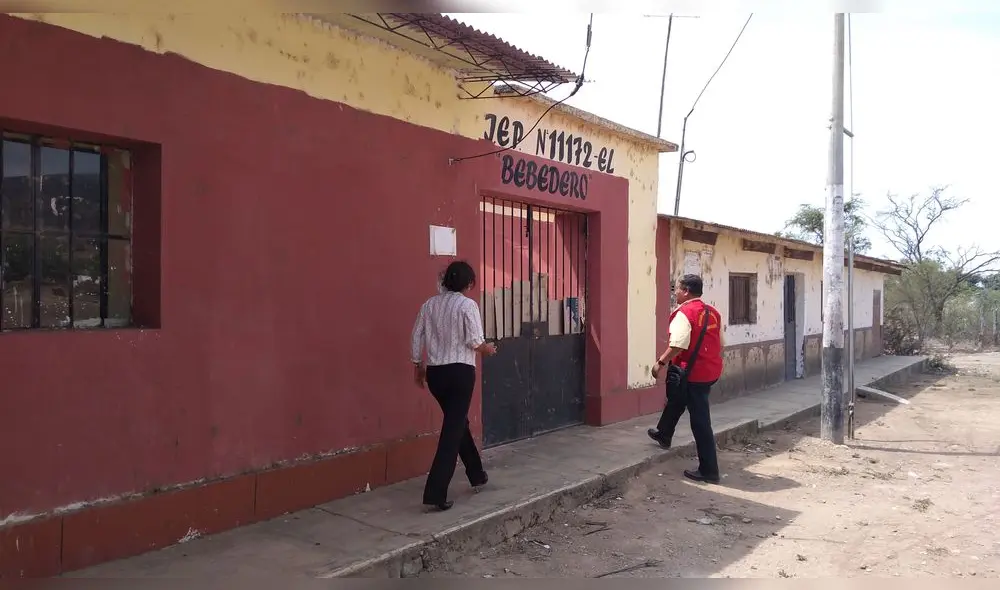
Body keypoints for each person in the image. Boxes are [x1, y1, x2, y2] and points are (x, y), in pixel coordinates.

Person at [410, 260, 497, 511]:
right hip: (460, 373)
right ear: (469, 283)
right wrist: (487, 349)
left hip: (436, 375)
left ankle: (477, 474)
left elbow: (417, 336)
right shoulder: (467, 305)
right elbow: (474, 341)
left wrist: (418, 366)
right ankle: (436, 492)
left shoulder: (429, 305)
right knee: (452, 431)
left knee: (458, 424)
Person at [647, 274, 724, 484]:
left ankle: (709, 470)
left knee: (700, 421)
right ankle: (664, 433)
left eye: (677, 289)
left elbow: (678, 344)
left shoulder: (684, 313)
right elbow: (720, 342)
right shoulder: (713, 312)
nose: (675, 292)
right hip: (710, 370)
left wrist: (660, 363)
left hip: (693, 373)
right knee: (678, 399)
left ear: (686, 291)